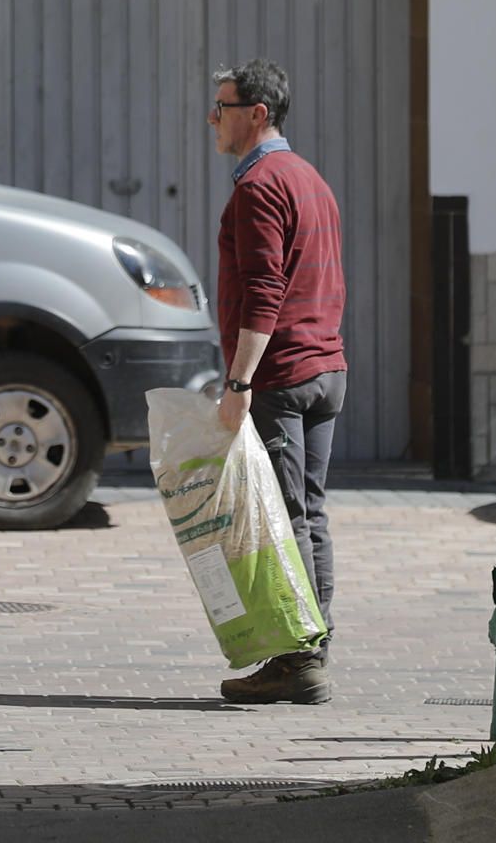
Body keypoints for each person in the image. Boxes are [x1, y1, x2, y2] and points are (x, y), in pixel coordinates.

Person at [207, 59, 346, 705]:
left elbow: (264, 293)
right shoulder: (309, 179)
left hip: (283, 375)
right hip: (324, 368)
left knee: (287, 518)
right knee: (308, 512)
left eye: (223, 106)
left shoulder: (261, 187)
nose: (213, 117)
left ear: (257, 114)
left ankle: (301, 660)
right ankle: (310, 647)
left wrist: (240, 384)